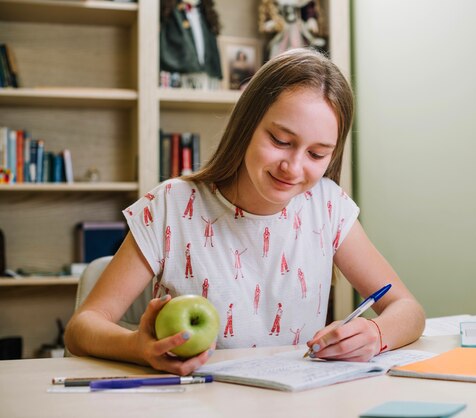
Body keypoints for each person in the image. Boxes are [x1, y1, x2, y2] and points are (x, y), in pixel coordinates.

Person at [65, 48, 426, 376]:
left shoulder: (327, 206)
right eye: (281, 141)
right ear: (247, 125)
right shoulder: (171, 206)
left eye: (317, 154)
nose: (293, 167)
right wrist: (138, 348)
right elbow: (83, 327)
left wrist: (375, 334)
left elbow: (407, 308)